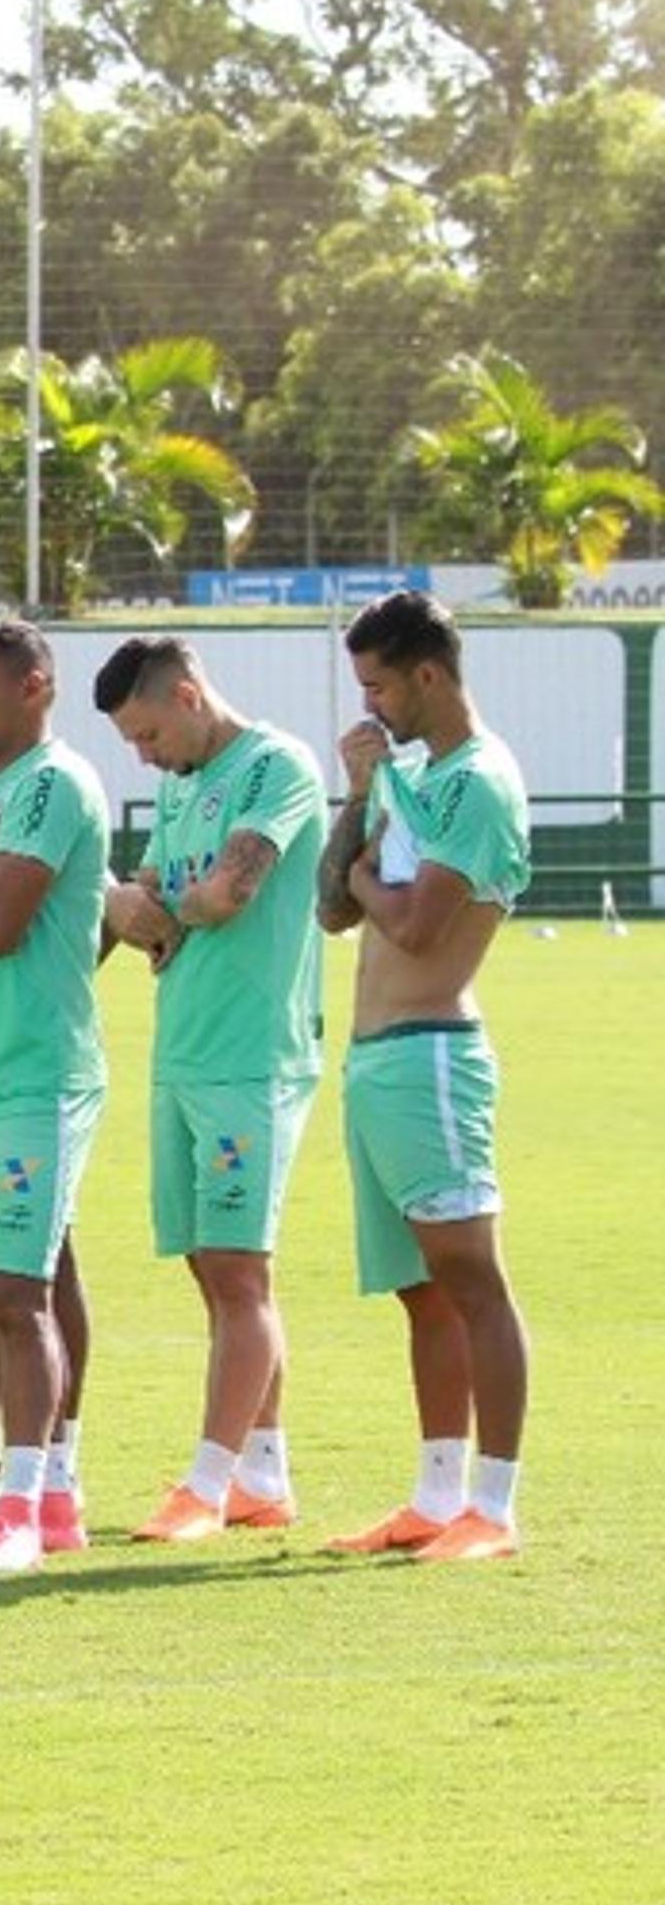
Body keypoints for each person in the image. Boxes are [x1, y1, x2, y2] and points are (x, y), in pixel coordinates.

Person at [96, 636, 327, 1541]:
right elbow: (145, 889)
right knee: (211, 1267)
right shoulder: (184, 784)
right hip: (185, 1050)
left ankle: (206, 1482)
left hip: (253, 1057)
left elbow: (230, 889)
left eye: (149, 732)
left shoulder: (275, 764)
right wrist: (131, 902)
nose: (144, 756)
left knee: (239, 1271)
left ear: (189, 695)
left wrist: (158, 910)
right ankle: (262, 1473)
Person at [317, 590, 531, 1562]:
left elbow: (412, 924)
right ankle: (436, 1495)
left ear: (428, 677)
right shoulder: (407, 779)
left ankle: (494, 1504)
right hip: (375, 1063)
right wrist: (360, 794)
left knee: (471, 1277)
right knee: (421, 1290)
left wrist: (369, 869)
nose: (371, 709)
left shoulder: (478, 782)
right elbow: (332, 909)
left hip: (434, 1056)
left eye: (379, 687)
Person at [0, 618, 110, 1576]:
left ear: (34, 687)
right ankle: (52, 1492)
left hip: (36, 1074)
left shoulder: (48, 784)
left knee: (17, 1293)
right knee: (12, 1278)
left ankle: (22, 1507)